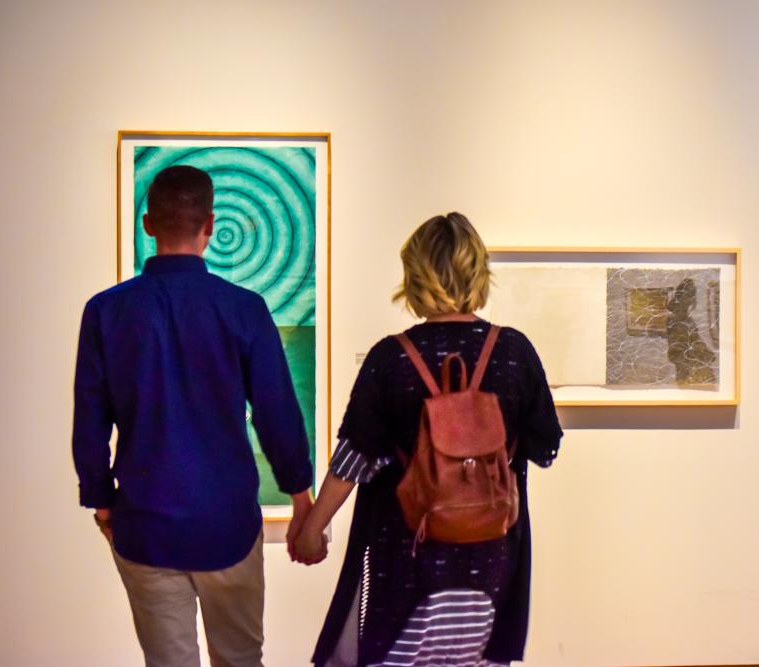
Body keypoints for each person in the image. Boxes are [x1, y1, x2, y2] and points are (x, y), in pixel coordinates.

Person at [295, 212, 563, 667]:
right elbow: (545, 447)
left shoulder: (390, 358)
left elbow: (353, 461)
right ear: (478, 272)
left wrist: (311, 528)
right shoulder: (514, 352)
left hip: (407, 556)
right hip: (492, 556)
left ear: (415, 277)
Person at [71, 165, 314, 667]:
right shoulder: (244, 308)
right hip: (227, 521)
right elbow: (278, 414)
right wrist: (301, 499)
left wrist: (100, 502)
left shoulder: (106, 311)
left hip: (144, 522)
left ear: (147, 224)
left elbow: (90, 422)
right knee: (242, 659)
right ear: (210, 225)